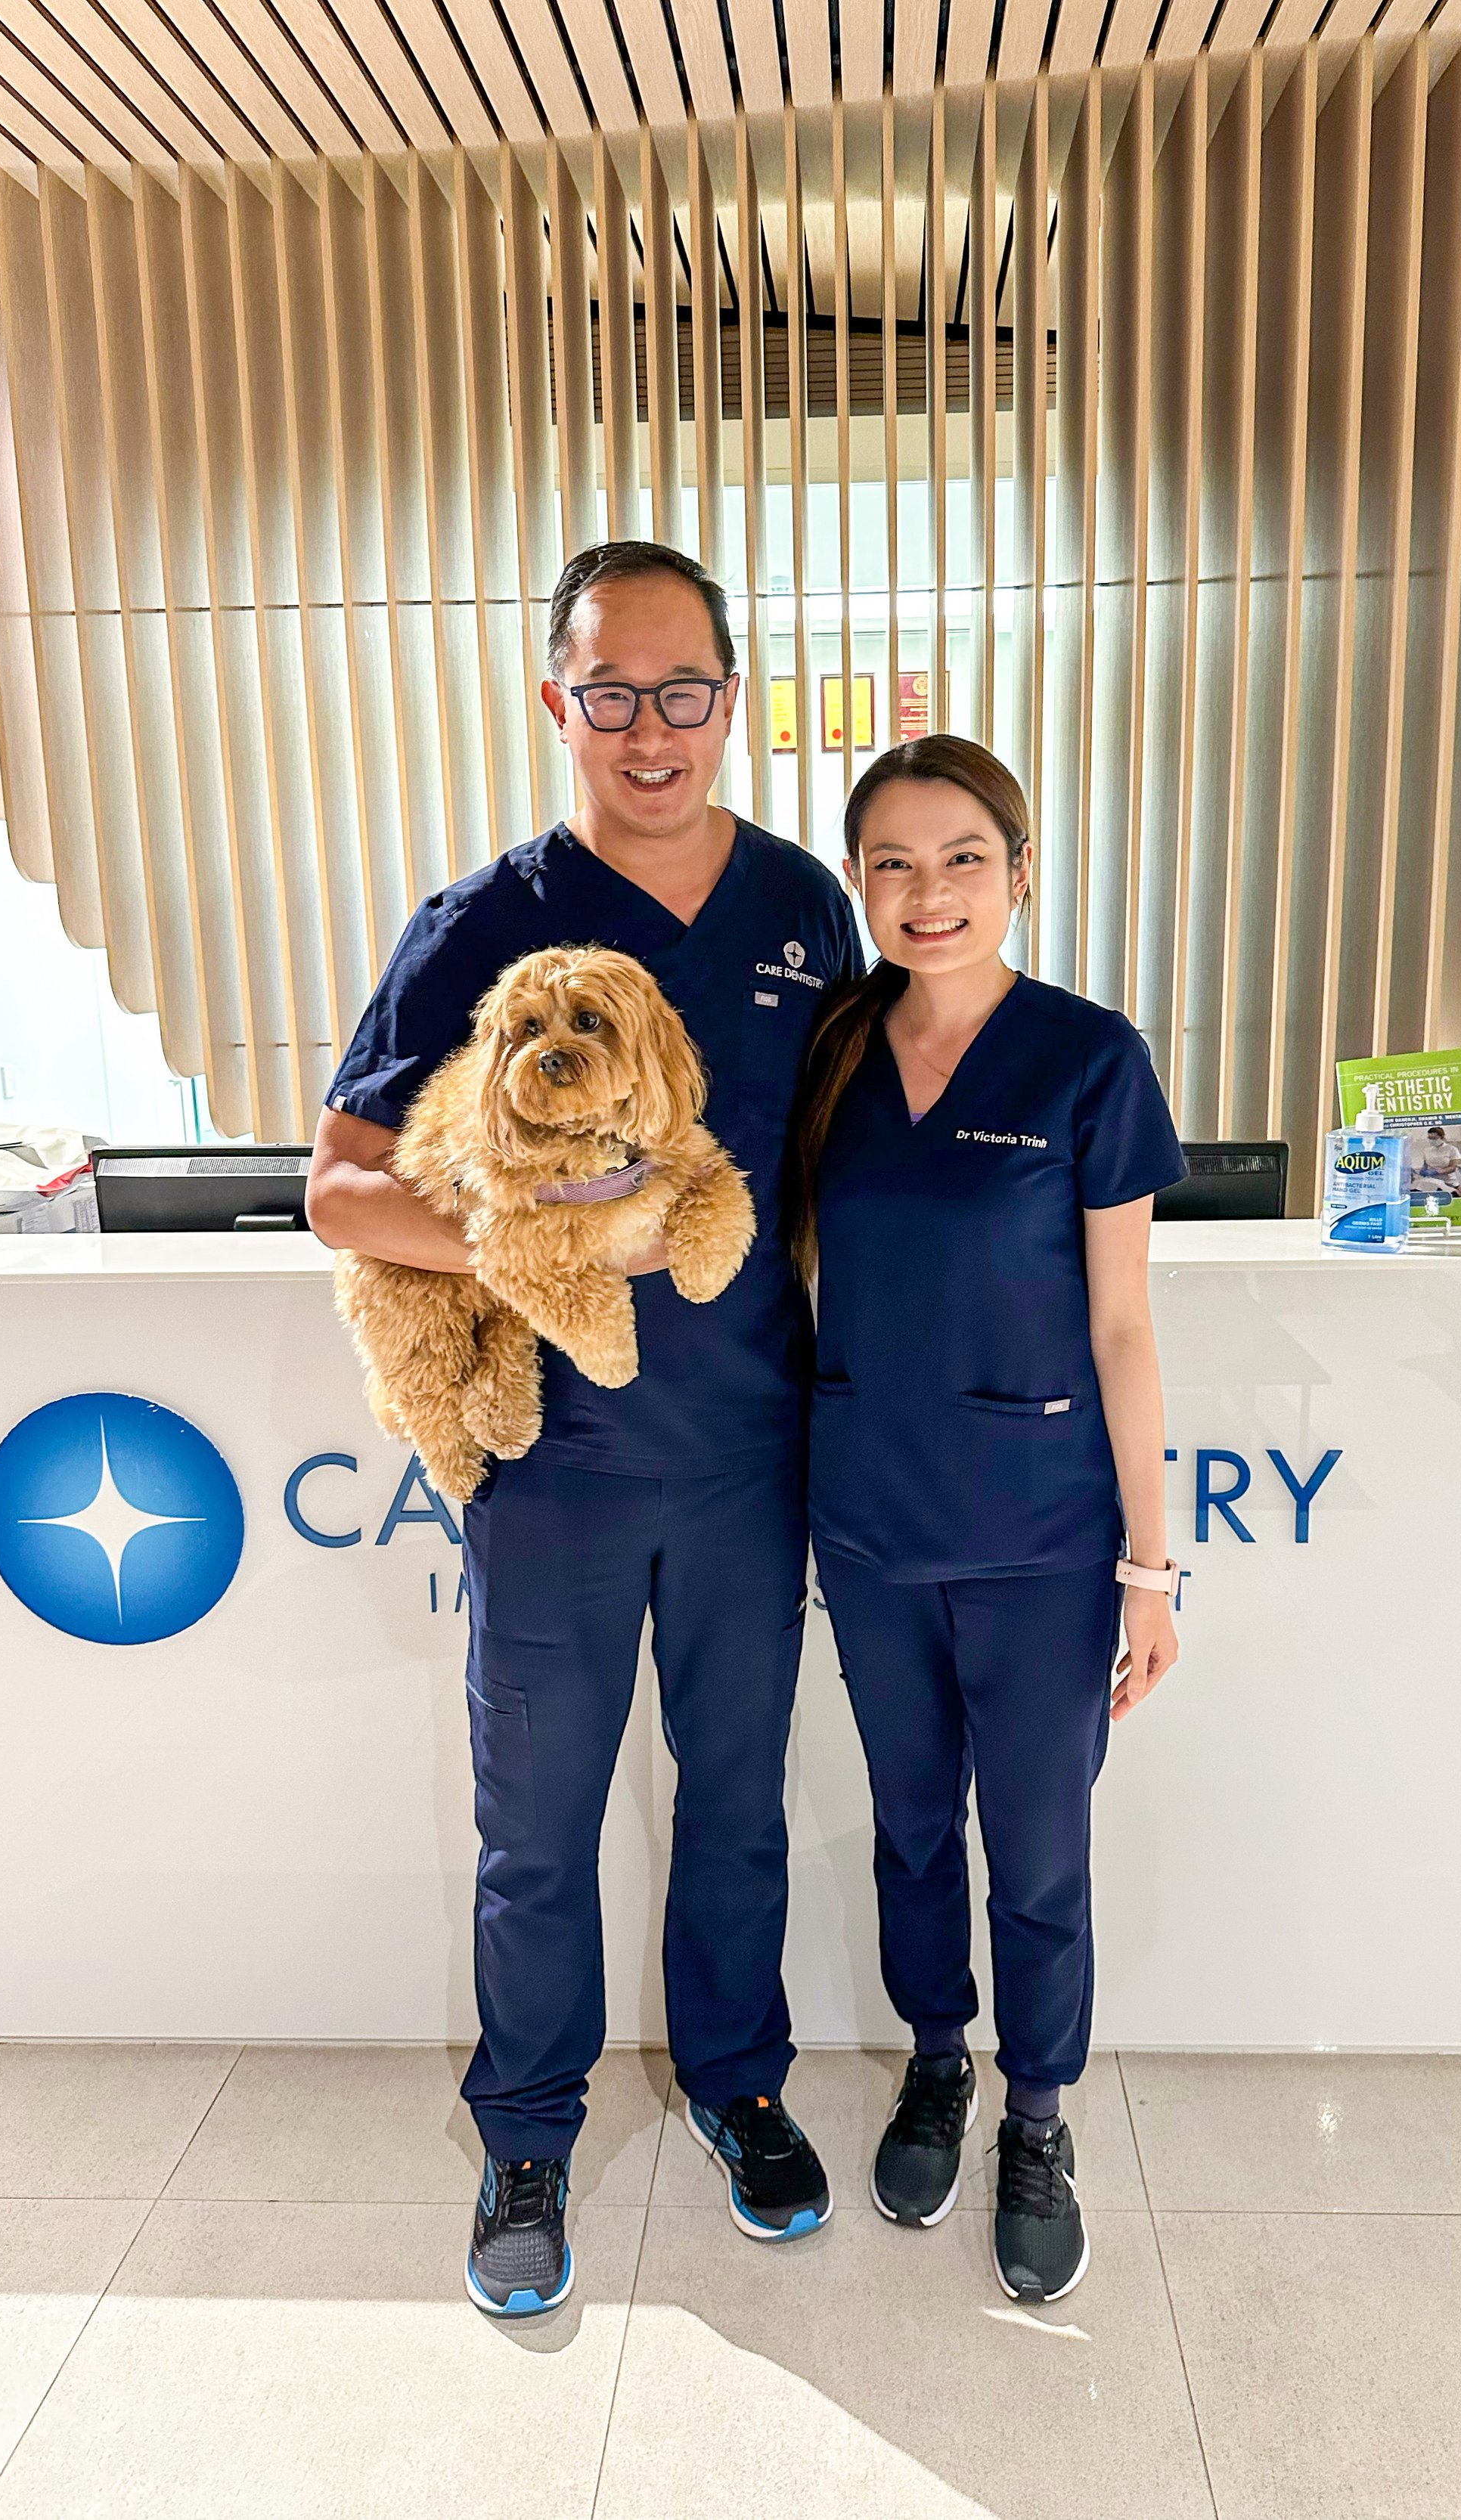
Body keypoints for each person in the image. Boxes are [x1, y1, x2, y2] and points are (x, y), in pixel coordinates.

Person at [307, 541, 861, 2317]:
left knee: (738, 1803)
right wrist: (548, 1243)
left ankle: (737, 2081)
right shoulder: (483, 922)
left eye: (680, 689)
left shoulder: (801, 911)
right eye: (608, 691)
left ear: (730, 699)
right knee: (535, 1818)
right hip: (548, 1466)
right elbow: (337, 1190)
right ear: (557, 702)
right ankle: (527, 2129)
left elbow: (838, 1178)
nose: (648, 728)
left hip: (743, 1457)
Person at [787, 735, 1186, 2305]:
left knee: (1035, 1846)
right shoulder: (827, 1050)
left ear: (1021, 868)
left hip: (1035, 1532)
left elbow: (1123, 1327)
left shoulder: (1087, 1058)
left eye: (962, 855)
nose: (926, 890)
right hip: (867, 1518)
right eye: (889, 860)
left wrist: (1145, 1568)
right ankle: (937, 2060)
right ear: (857, 884)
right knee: (903, 1822)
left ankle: (1035, 2111)